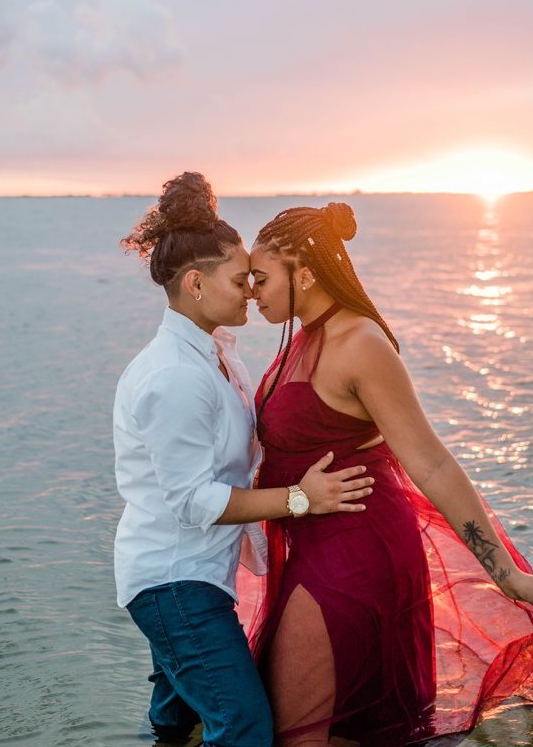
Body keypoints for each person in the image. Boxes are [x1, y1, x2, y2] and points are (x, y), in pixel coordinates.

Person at [242, 201, 533, 747]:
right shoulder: (304, 338)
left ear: (304, 272)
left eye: (261, 278)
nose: (252, 291)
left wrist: (508, 576)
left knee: (301, 733)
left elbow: (430, 462)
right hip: (310, 546)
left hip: (353, 553)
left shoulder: (360, 343)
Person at [113, 174, 374, 747]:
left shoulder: (216, 356)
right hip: (175, 584)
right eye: (240, 280)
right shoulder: (176, 376)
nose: (252, 291)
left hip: (193, 575)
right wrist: (303, 500)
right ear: (196, 284)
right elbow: (192, 501)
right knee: (246, 727)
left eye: (255, 278)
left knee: (176, 723)